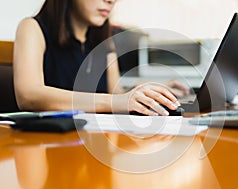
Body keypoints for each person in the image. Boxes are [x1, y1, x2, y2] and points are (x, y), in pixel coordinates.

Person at [13, 0, 189, 116]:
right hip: (49, 144)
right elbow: (29, 95)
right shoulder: (32, 28)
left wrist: (150, 93)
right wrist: (115, 101)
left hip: (95, 141)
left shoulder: (104, 41)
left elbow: (116, 93)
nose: (111, 1)